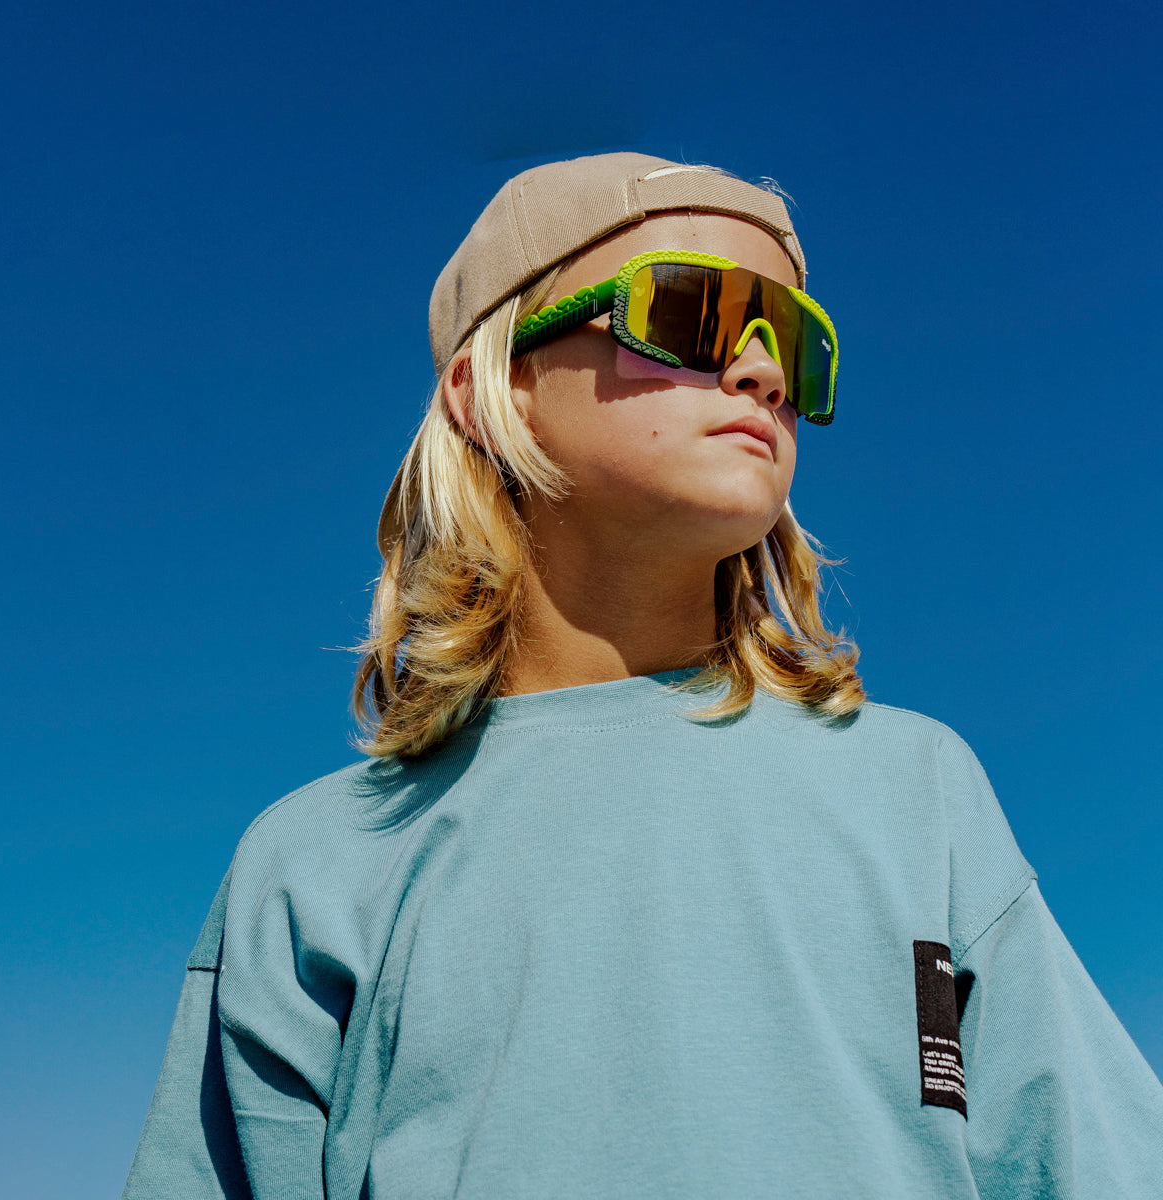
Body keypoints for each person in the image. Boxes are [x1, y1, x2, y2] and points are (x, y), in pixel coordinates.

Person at [122, 153, 1163, 1199]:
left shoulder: (921, 792)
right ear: (498, 389)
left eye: (791, 344)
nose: (760, 372)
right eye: (690, 312)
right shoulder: (310, 869)